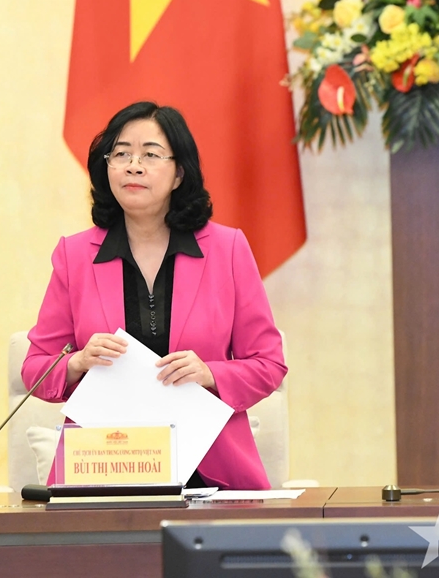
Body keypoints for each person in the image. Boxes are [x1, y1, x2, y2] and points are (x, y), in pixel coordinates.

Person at [21, 101, 287, 490]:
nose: (134, 166)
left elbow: (269, 364)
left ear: (179, 173)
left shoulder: (227, 249)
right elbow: (34, 369)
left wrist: (210, 373)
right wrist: (78, 362)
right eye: (121, 154)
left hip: (208, 471)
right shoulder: (74, 256)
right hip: (104, 466)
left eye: (150, 154)